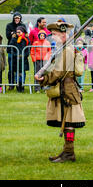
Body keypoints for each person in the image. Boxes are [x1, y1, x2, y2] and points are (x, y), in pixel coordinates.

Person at [34, 21, 85, 163]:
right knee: (65, 119)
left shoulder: (67, 50)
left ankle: (69, 152)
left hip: (67, 89)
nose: (53, 37)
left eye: (55, 34)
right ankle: (66, 151)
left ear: (63, 35)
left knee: (68, 121)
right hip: (63, 88)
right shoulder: (63, 48)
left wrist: (43, 79)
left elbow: (58, 72)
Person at [9, 25, 30, 93]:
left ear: (23, 32)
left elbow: (28, 49)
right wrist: (15, 55)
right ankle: (18, 85)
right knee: (17, 73)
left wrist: (24, 55)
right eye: (17, 32)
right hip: (16, 59)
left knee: (23, 73)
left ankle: (22, 85)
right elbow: (11, 48)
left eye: (19, 32)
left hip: (24, 59)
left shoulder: (26, 39)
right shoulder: (14, 39)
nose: (18, 33)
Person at [5, 12, 23, 90]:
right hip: (11, 50)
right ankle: (11, 84)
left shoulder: (22, 26)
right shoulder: (9, 25)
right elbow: (8, 35)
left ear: (20, 18)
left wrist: (14, 33)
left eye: (18, 18)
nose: (17, 19)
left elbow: (25, 35)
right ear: (13, 18)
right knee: (11, 68)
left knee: (20, 69)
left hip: (20, 50)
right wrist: (13, 34)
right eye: (15, 18)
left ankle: (20, 84)